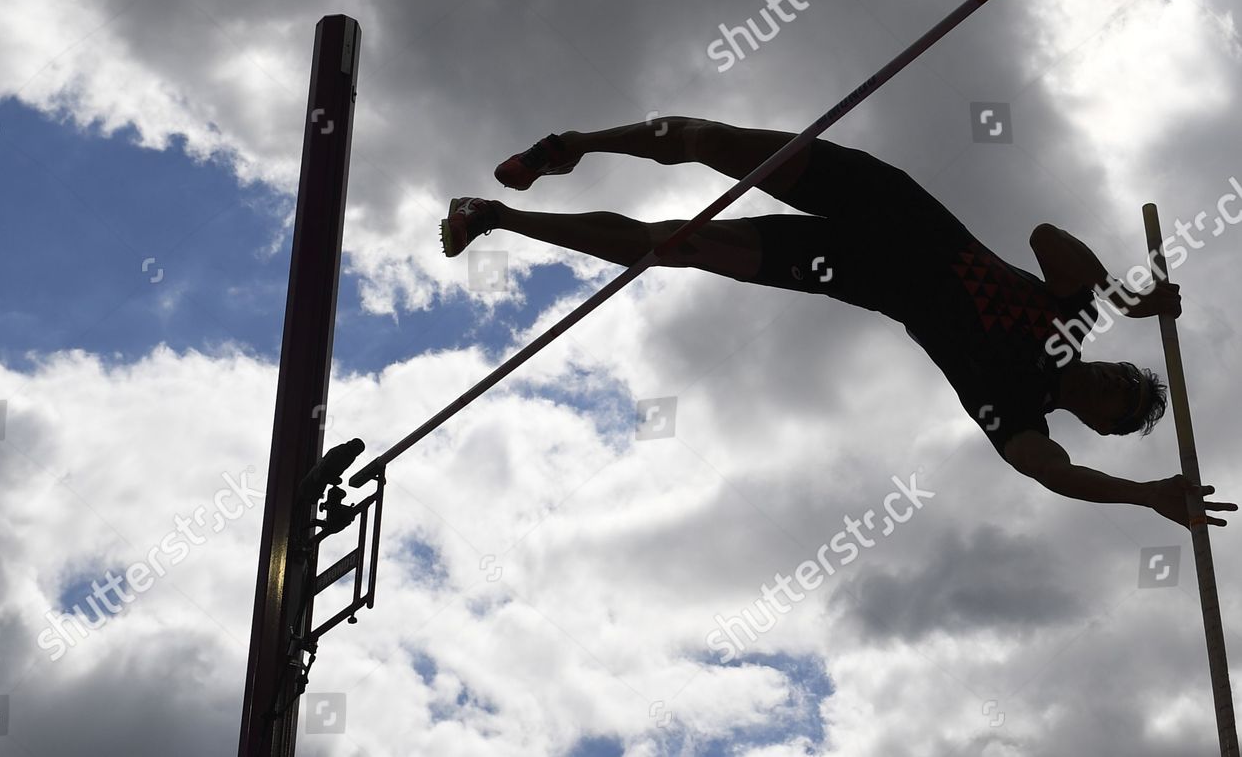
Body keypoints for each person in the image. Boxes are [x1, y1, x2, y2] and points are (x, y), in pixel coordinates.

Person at [441, 117, 1234, 528]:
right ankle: (572, 146)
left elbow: (1050, 474)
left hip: (853, 270)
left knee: (672, 247)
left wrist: (1144, 497)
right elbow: (1047, 240)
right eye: (1125, 378)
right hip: (895, 207)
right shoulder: (1074, 316)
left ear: (1096, 422)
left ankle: (496, 218)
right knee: (709, 142)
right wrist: (1124, 294)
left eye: (1116, 404)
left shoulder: (1018, 410)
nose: (1110, 385)